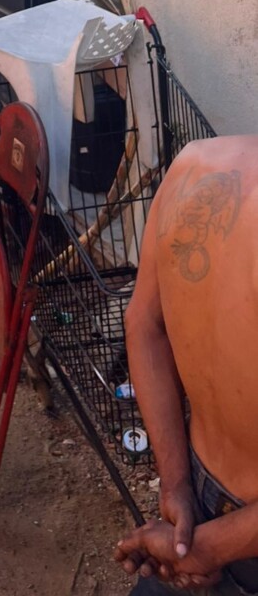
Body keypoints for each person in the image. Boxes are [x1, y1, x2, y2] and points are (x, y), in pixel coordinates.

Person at [116, 136, 258, 594]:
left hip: (198, 490)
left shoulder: (192, 164)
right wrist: (210, 548)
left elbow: (143, 325)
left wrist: (176, 485)